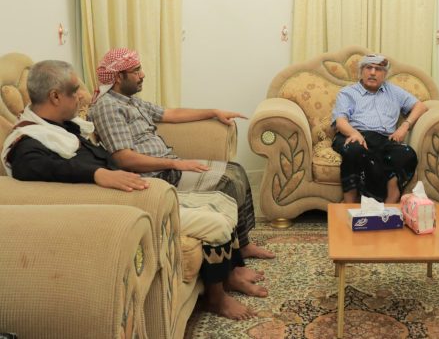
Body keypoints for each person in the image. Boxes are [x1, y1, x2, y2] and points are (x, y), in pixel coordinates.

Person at [1, 60, 265, 320]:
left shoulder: (61, 127)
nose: (83, 96)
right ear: (55, 96)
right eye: (75, 90)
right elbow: (35, 166)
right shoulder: (27, 144)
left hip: (136, 192)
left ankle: (229, 273)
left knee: (224, 199)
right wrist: (98, 174)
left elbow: (167, 114)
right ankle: (217, 300)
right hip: (122, 206)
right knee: (218, 222)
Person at [87, 48, 274, 261]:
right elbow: (124, 158)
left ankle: (244, 244)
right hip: (155, 176)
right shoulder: (108, 107)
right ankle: (231, 261)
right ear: (119, 77)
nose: (142, 75)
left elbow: (171, 114)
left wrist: (214, 112)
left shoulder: (130, 101)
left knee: (237, 171)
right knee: (228, 181)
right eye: (136, 71)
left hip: (168, 165)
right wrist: (176, 165)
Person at [331, 53, 428, 203]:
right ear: (361, 72)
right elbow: (340, 121)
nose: (372, 72)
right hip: (353, 135)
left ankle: (389, 203)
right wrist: (354, 133)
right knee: (355, 150)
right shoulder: (348, 93)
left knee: (406, 154)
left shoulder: (394, 91)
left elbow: (420, 106)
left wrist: (404, 126)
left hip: (384, 140)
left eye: (378, 69)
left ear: (384, 74)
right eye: (368, 68)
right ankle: (349, 202)